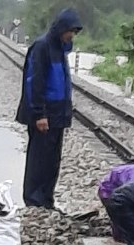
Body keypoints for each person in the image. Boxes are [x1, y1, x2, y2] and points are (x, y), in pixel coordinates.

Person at [15, 8, 83, 209]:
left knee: (52, 161)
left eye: (74, 32)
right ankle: (33, 200)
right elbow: (34, 82)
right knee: (39, 160)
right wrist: (39, 114)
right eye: (70, 30)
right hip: (44, 115)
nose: (71, 35)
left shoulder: (60, 49)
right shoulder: (42, 47)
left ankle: (46, 199)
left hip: (57, 115)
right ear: (61, 28)